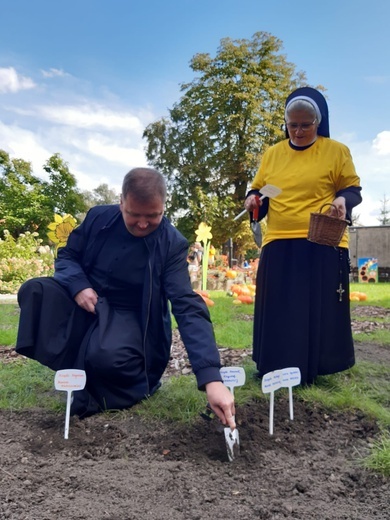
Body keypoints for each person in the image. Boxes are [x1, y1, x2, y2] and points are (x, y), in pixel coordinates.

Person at [16, 167, 235, 427]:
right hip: (88, 301)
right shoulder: (99, 218)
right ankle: (79, 370)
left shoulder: (172, 244)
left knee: (106, 357)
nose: (143, 224)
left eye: (153, 216)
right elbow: (68, 256)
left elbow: (187, 306)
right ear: (121, 203)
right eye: (134, 214)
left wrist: (211, 378)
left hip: (133, 316)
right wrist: (78, 285)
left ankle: (114, 382)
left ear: (165, 207)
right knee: (35, 293)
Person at [244, 87, 362, 385]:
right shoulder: (273, 154)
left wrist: (342, 201)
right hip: (279, 241)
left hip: (320, 241)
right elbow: (261, 192)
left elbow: (352, 190)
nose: (297, 131)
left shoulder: (336, 151)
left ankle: (315, 368)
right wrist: (253, 200)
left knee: (312, 308)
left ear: (317, 123)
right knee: (280, 308)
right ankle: (274, 366)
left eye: (305, 125)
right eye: (292, 125)